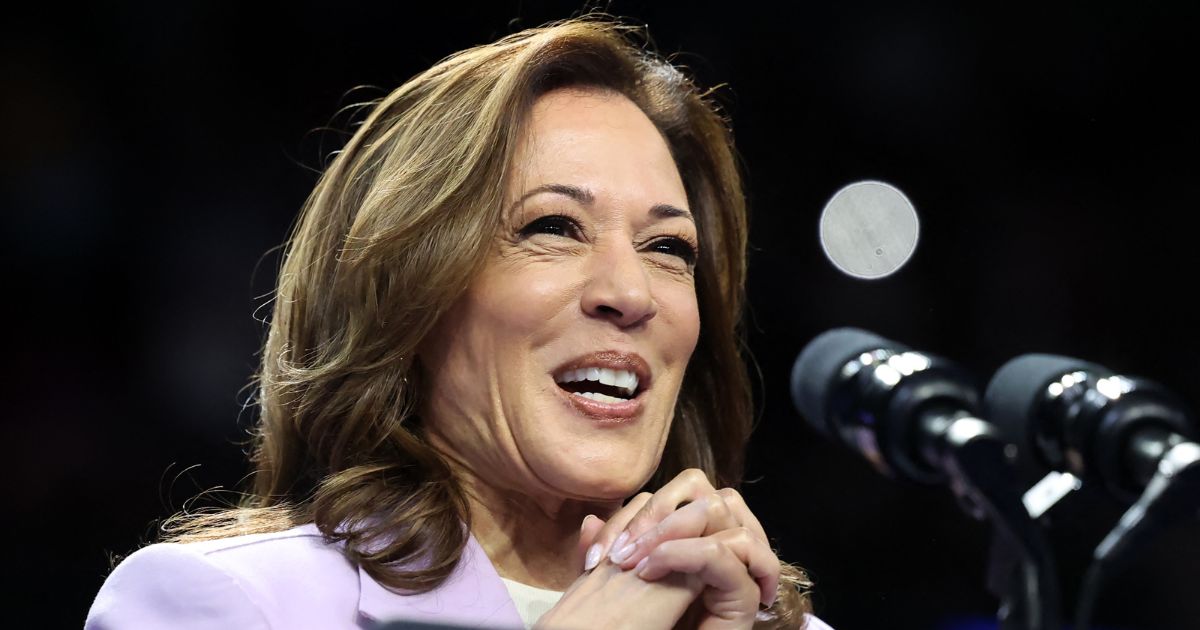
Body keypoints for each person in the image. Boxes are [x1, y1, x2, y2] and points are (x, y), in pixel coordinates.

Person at [86, 17, 830, 630]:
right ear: (411, 295)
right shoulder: (224, 607)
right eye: (555, 228)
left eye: (668, 247)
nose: (630, 292)